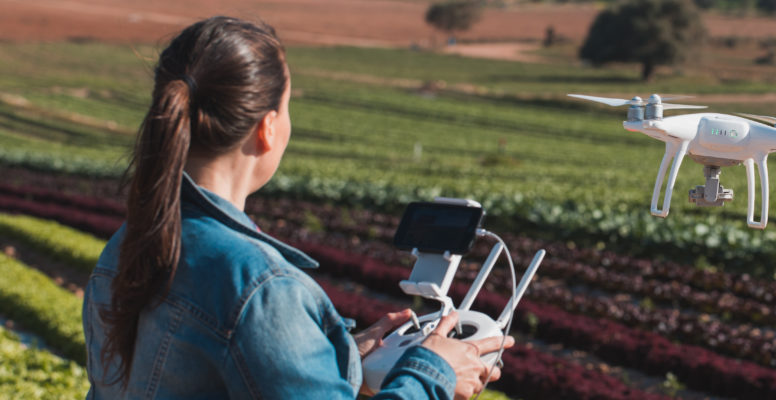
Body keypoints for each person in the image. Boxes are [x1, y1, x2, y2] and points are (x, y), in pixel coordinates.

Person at [81, 16, 511, 399]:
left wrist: (338, 359)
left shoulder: (128, 246)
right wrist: (432, 373)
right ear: (268, 128)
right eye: (287, 107)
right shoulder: (262, 289)